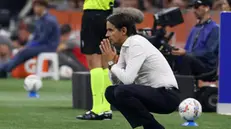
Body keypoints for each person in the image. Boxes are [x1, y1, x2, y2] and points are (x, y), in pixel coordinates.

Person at [100, 9, 181, 129]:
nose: (107, 35)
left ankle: (153, 127)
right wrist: (111, 64)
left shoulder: (136, 44)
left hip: (167, 96)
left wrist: (112, 64)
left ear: (123, 31)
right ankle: (150, 126)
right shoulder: (126, 47)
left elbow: (127, 80)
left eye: (110, 30)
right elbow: (117, 83)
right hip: (153, 93)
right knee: (110, 92)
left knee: (121, 91)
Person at [76, 0, 114, 120]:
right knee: (105, 64)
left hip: (93, 13)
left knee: (94, 63)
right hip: (108, 14)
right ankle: (106, 108)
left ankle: (97, 109)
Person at [0, 0, 60, 74]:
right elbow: (35, 37)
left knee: (24, 52)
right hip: (42, 45)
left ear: (43, 7)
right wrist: (27, 45)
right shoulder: (40, 19)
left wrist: (28, 47)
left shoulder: (49, 20)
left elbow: (42, 39)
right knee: (21, 52)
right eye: (34, 6)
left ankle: (3, 70)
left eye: (38, 6)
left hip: (49, 46)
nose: (35, 8)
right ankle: (4, 69)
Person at [171, 0, 219, 76]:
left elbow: (209, 52)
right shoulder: (195, 28)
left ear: (206, 8)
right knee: (173, 56)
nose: (194, 10)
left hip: (206, 65)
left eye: (197, 7)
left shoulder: (215, 28)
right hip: (192, 59)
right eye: (193, 7)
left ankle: (185, 85)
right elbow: (187, 48)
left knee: (186, 58)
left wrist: (186, 53)